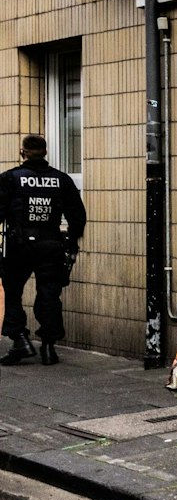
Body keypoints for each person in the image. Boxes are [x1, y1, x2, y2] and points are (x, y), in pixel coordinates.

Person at [0, 135, 87, 365]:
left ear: (23, 152)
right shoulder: (61, 180)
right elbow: (78, 216)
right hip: (51, 244)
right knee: (49, 294)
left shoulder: (10, 178)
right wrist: (70, 242)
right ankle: (49, 347)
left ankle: (20, 339)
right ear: (45, 152)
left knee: (12, 291)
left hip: (19, 246)